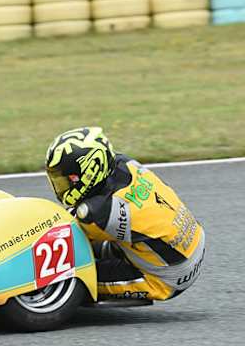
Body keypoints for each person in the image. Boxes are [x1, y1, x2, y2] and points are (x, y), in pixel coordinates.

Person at [44, 127, 205, 301]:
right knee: (98, 246)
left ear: (90, 170)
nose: (62, 186)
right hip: (192, 237)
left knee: (76, 280)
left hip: (169, 276)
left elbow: (64, 231)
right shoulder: (125, 162)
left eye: (68, 179)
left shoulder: (99, 213)